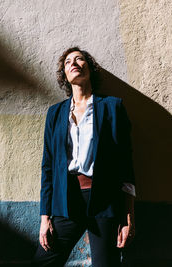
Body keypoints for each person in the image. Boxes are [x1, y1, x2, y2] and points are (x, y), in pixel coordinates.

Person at [33, 47, 136, 267]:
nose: (74, 63)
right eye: (68, 61)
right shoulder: (55, 113)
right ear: (65, 74)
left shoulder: (112, 107)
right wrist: (45, 217)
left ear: (89, 68)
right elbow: (48, 167)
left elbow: (125, 164)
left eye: (80, 59)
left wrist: (127, 213)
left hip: (104, 199)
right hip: (66, 200)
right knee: (44, 261)